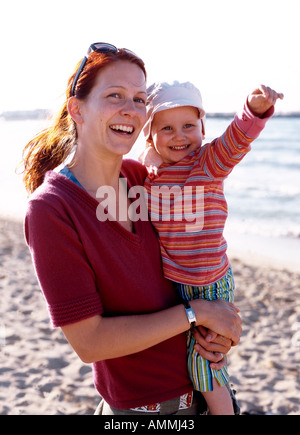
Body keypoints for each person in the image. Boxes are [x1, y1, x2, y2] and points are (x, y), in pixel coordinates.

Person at [21, 43, 242, 415]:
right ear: (77, 109)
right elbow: (89, 342)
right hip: (141, 411)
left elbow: (195, 256)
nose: (131, 109)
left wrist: (220, 327)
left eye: (140, 99)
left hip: (203, 391)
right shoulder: (51, 209)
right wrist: (196, 313)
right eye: (115, 96)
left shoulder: (144, 179)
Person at [140, 81, 283, 414]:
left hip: (209, 283)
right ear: (151, 135)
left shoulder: (207, 163)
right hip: (176, 283)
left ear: (202, 128)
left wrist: (254, 109)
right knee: (183, 355)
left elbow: (237, 140)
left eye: (188, 125)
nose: (179, 136)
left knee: (205, 363)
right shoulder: (149, 176)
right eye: (167, 128)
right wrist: (147, 154)